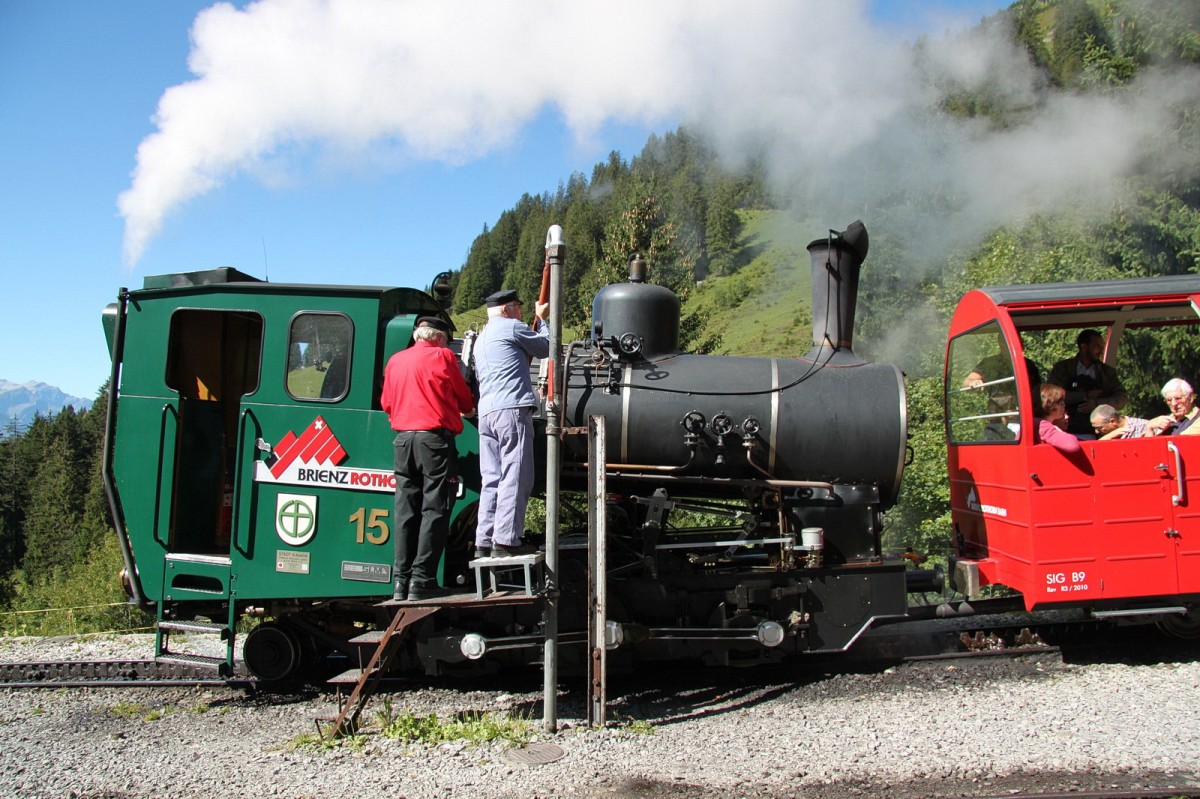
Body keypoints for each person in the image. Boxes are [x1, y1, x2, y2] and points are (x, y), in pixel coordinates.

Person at [380, 316, 474, 602]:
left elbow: (386, 403)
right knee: (434, 509)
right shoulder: (443, 357)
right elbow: (465, 400)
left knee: (406, 510)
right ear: (440, 338)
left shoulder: (396, 360)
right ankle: (422, 580)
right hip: (433, 440)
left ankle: (401, 582)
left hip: (402, 440)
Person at [473, 289, 549, 558]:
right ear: (507, 309)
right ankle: (506, 539)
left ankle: (484, 540)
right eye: (518, 305)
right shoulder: (512, 327)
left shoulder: (481, 338)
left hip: (487, 414)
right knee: (516, 474)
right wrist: (543, 321)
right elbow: (545, 348)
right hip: (511, 410)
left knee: (491, 477)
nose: (522, 311)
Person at [1047, 329, 1127, 438]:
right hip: (1067, 429)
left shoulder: (1107, 372)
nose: (1101, 350)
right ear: (1084, 347)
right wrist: (1084, 396)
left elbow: (1122, 398)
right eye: (1097, 346)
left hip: (1100, 432)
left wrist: (1097, 403)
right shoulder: (1062, 368)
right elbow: (1051, 397)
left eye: (1102, 346)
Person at [1033, 383, 1082, 454]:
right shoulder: (1041, 425)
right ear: (1049, 404)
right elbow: (1072, 445)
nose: (1064, 405)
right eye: (1060, 402)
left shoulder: (1038, 422)